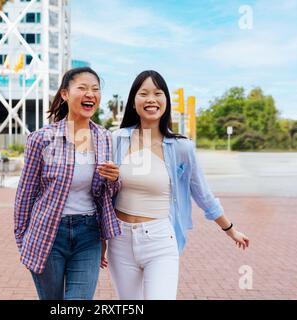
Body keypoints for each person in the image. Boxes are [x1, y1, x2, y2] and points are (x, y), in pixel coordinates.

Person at [104, 70, 249, 300]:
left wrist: (229, 229)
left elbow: (202, 193)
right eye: (144, 94)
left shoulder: (181, 147)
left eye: (158, 93)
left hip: (160, 240)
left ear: (166, 101)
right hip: (119, 241)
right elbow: (100, 190)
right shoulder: (116, 139)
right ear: (133, 102)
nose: (151, 99)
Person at [14, 67, 121, 300]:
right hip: (48, 233)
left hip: (88, 233)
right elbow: (25, 194)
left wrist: (114, 179)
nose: (90, 94)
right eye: (82, 88)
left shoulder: (104, 138)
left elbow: (105, 194)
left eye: (95, 89)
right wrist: (23, 241)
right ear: (64, 94)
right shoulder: (42, 138)